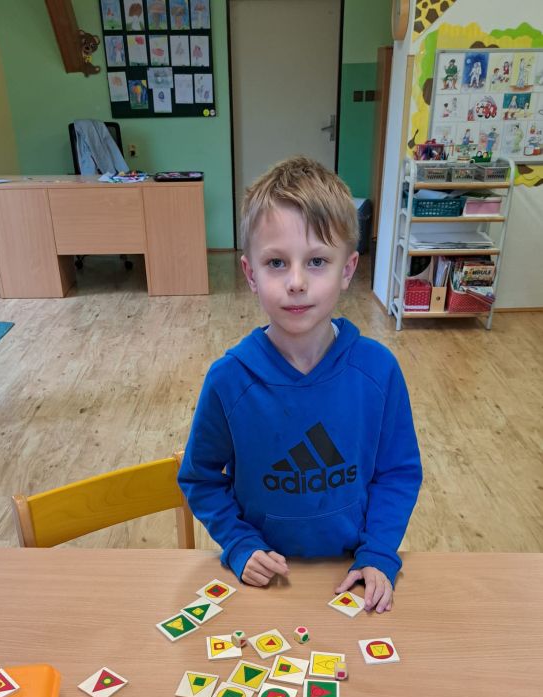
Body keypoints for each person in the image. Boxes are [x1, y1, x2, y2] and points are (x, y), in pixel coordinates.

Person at [178, 157, 422, 613]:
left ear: (347, 270)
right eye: (276, 262)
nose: (296, 282)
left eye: (317, 261)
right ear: (250, 274)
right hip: (267, 585)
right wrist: (239, 542)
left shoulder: (379, 371)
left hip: (349, 574)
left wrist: (379, 551)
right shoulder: (229, 380)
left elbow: (398, 473)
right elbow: (201, 478)